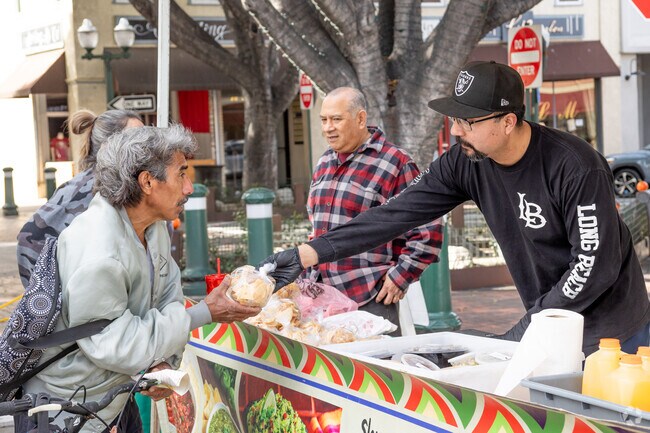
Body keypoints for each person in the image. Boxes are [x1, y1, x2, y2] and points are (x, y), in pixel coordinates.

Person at [263, 61, 650, 356]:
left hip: (613, 330)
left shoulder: (575, 166)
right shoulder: (467, 160)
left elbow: (593, 265)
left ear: (508, 121)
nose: (456, 130)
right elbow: (396, 212)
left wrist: (528, 326)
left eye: (466, 120)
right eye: (453, 119)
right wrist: (307, 252)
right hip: (544, 322)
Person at [18, 125, 260, 433]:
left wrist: (158, 365)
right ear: (147, 182)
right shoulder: (100, 252)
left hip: (112, 396)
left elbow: (167, 298)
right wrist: (205, 313)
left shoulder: (152, 226)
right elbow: (115, 344)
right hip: (69, 409)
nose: (188, 187)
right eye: (181, 174)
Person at [307, 87, 443, 334]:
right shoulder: (324, 162)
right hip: (323, 298)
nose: (328, 128)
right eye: (324, 120)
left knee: (377, 371)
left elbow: (428, 228)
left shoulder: (396, 163)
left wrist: (400, 277)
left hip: (371, 297)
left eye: (337, 119)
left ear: (361, 119)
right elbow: (317, 226)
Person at [17, 109, 144, 288]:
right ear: (109, 145)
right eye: (137, 138)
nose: (147, 144)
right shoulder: (84, 188)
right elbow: (29, 238)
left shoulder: (132, 181)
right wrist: (51, 298)